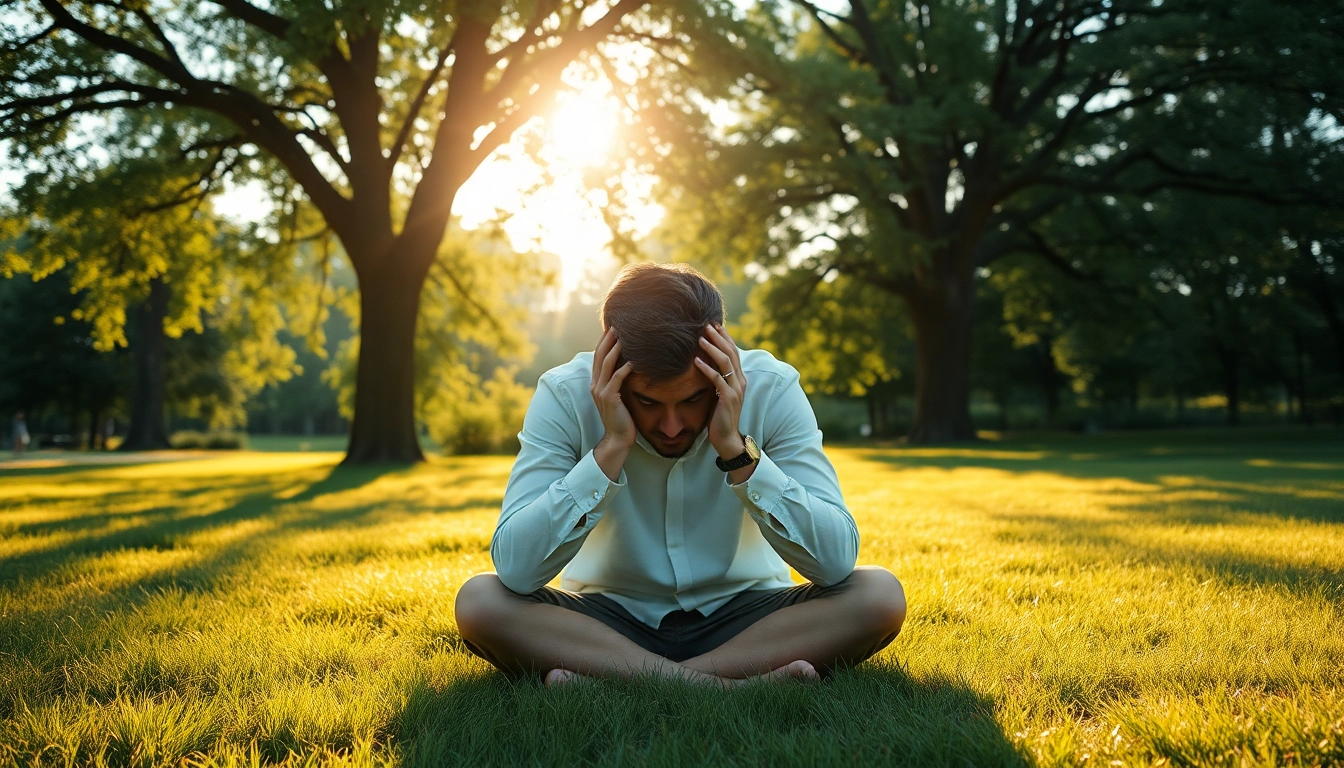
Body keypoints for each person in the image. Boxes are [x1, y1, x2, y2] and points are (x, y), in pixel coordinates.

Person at [455, 263, 906, 687]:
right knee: (481, 602)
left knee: (878, 596)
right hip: (606, 619)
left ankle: (621, 681)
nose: (671, 426)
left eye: (691, 400)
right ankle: (717, 687)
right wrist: (610, 447)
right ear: (610, 367)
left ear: (718, 359)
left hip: (748, 617)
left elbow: (835, 561)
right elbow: (516, 569)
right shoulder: (565, 394)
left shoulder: (772, 388)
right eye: (649, 403)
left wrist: (737, 452)